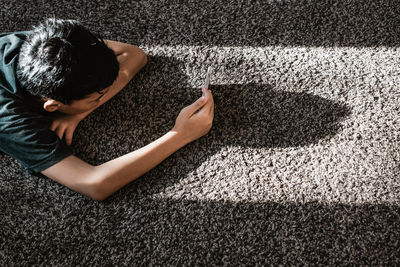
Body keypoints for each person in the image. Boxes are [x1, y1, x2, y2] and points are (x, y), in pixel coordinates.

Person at [0, 18, 214, 201]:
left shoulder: (46, 44)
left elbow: (134, 55)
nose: (104, 96)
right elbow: (94, 184)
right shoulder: (10, 121)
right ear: (53, 106)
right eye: (97, 98)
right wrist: (180, 135)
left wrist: (77, 114)